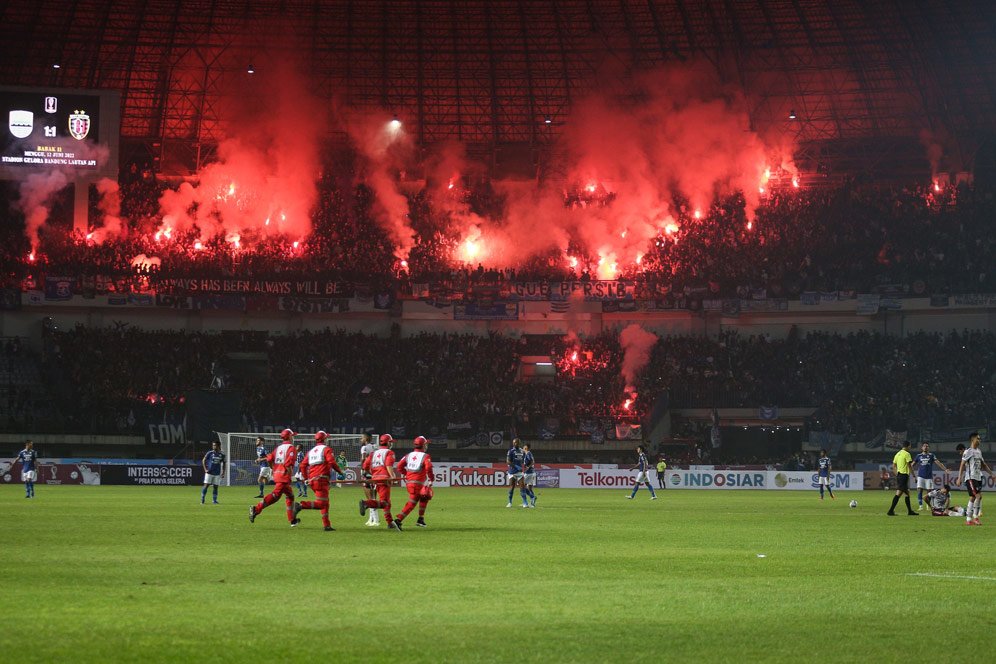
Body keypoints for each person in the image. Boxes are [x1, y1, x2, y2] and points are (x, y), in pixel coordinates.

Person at [293, 431, 342, 531]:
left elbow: (302, 465)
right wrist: (340, 472)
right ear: (324, 439)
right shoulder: (326, 449)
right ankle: (300, 505)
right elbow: (331, 462)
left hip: (313, 481)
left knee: (325, 502)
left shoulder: (311, 451)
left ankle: (327, 525)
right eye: (326, 438)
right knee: (321, 504)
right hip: (321, 480)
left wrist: (306, 478)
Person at [249, 429, 299, 526]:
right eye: (292, 436)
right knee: (275, 496)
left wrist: (274, 469)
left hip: (278, 475)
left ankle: (293, 520)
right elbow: (288, 465)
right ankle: (256, 509)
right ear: (289, 437)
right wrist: (291, 476)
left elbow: (269, 458)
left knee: (290, 496)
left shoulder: (278, 448)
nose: (293, 437)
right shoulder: (291, 448)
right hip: (284, 476)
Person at [359, 434, 400, 531]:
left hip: (375, 479)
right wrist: (392, 476)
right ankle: (366, 503)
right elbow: (388, 465)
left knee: (387, 502)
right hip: (384, 479)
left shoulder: (374, 453)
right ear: (388, 442)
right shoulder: (389, 453)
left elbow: (365, 466)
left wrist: (373, 474)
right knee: (384, 503)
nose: (391, 444)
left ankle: (390, 523)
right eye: (391, 442)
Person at [394, 436, 434, 528]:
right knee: (412, 503)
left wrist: (406, 474)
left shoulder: (408, 455)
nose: (427, 446)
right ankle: (398, 520)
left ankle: (421, 519)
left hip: (411, 482)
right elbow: (428, 468)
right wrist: (431, 478)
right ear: (423, 445)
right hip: (417, 483)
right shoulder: (425, 456)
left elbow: (399, 466)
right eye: (426, 444)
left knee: (425, 496)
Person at [956, 432, 993, 526]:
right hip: (970, 477)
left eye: (980, 439)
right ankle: (975, 517)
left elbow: (983, 465)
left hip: (978, 477)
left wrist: (992, 474)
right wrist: (959, 478)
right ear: (973, 440)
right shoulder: (968, 451)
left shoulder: (979, 451)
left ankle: (968, 519)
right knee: (978, 496)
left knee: (973, 498)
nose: (979, 440)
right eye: (978, 438)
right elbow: (962, 465)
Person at [913, 442, 947, 511]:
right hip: (920, 476)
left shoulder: (931, 455)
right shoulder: (918, 456)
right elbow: (912, 465)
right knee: (920, 490)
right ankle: (920, 506)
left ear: (928, 448)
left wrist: (945, 469)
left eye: (927, 446)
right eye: (924, 446)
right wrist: (909, 471)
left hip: (929, 477)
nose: (925, 447)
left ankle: (928, 505)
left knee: (929, 492)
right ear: (922, 448)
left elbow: (938, 463)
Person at [887, 441, 917, 516]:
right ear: (908, 446)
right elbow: (909, 466)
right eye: (910, 446)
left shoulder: (898, 454)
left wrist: (897, 474)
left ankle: (909, 511)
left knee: (903, 493)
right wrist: (914, 475)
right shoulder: (907, 454)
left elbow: (893, 466)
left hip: (900, 475)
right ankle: (891, 511)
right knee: (902, 493)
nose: (910, 447)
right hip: (904, 476)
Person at [359, 433, 380, 526]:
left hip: (367, 472)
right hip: (375, 472)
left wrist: (362, 469)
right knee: (374, 497)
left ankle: (375, 520)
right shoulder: (375, 447)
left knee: (369, 497)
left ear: (366, 438)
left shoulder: (364, 448)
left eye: (362, 438)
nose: (361, 439)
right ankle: (372, 519)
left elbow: (363, 459)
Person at [505, 438, 525, 508]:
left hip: (519, 472)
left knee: (522, 486)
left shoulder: (522, 451)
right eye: (514, 443)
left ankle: (525, 502)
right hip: (512, 472)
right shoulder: (510, 451)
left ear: (519, 443)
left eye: (516, 443)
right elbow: (508, 461)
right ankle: (510, 502)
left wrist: (524, 466)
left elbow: (523, 460)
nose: (514, 444)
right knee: (512, 487)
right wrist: (516, 466)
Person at [521, 443, 537, 508]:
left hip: (529, 473)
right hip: (531, 472)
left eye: (524, 447)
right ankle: (532, 502)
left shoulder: (528, 454)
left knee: (522, 486)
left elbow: (533, 461)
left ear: (526, 448)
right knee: (529, 488)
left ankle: (531, 498)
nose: (523, 448)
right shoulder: (528, 454)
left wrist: (528, 467)